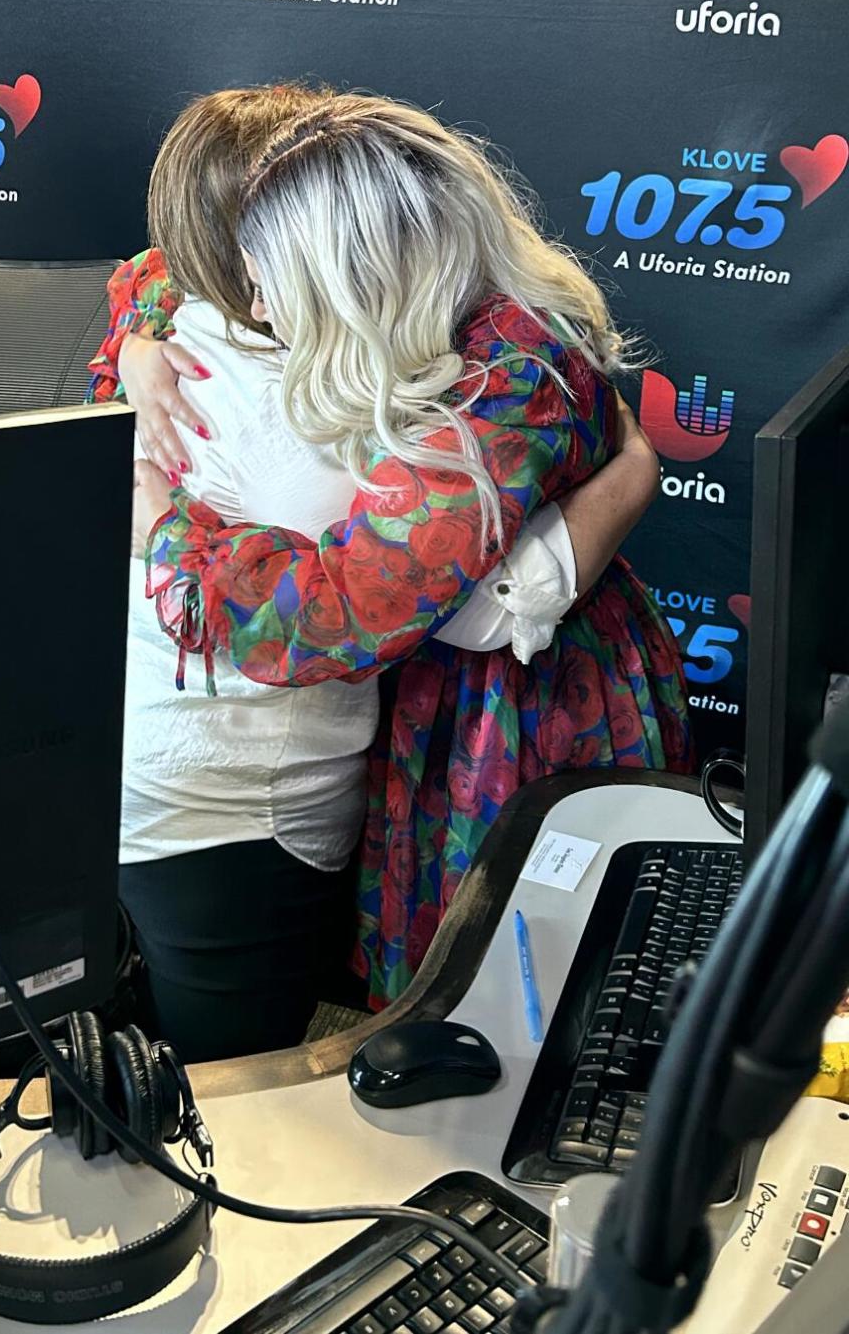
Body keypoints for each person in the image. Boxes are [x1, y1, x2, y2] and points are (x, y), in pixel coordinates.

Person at [129, 92, 693, 1011]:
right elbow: (157, 275)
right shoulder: (450, 312)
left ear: (360, 270)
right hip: (448, 698)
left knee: (511, 999)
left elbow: (339, 612)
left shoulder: (504, 385)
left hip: (526, 709)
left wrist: (165, 529)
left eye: (273, 276)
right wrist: (136, 341)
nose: (256, 304)